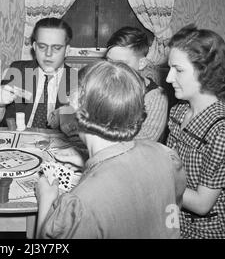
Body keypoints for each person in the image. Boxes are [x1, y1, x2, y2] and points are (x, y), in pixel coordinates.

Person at [36, 60, 186, 239]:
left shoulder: (80, 204)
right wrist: (85, 160)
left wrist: (46, 202)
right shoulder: (166, 156)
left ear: (77, 108)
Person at [166, 24, 225, 238]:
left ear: (205, 71)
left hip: (202, 230)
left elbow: (202, 204)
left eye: (178, 70)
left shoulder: (220, 129)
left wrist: (152, 177)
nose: (169, 78)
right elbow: (169, 165)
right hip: (173, 217)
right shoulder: (178, 112)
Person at [0, 17, 78, 128]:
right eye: (42, 47)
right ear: (35, 47)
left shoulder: (79, 81)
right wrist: (0, 105)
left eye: (56, 48)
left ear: (67, 51)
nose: (48, 53)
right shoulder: (18, 70)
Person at [105, 27, 168, 141]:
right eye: (109, 61)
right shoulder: (103, 85)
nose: (112, 69)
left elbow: (146, 139)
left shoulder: (155, 96)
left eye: (121, 63)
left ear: (142, 63)